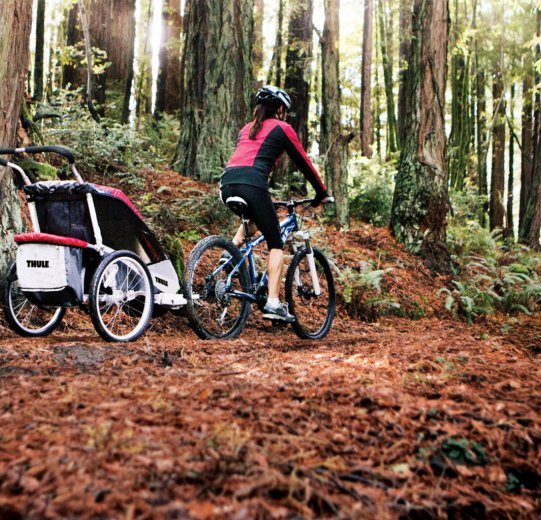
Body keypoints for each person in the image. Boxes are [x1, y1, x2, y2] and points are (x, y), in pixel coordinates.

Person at [220, 85, 332, 322]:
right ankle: (272, 302)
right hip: (252, 184)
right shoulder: (282, 128)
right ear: (280, 108)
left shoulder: (246, 129)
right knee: (276, 244)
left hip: (227, 183)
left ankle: (228, 253)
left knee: (254, 220)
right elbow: (304, 163)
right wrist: (321, 192)